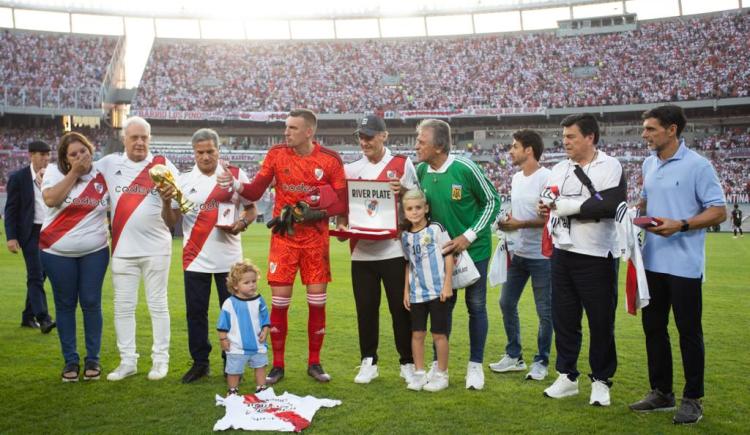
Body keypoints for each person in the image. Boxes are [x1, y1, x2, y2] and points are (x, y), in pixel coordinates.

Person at [218, 109, 347, 384]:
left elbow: (342, 202)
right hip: (284, 239)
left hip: (315, 242)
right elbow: (254, 191)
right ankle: (277, 365)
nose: (286, 132)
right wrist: (236, 183)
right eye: (286, 127)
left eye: (292, 128)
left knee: (317, 304)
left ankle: (314, 363)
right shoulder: (276, 155)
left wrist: (318, 213)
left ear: (309, 131)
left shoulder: (330, 160)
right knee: (279, 305)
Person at [629, 105, 726, 424]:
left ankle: (693, 398)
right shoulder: (648, 163)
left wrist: (681, 224)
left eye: (651, 129)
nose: (644, 135)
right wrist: (634, 214)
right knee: (653, 329)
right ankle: (661, 392)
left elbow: (718, 211)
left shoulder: (699, 166)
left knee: (688, 332)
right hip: (652, 261)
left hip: (684, 264)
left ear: (672, 130)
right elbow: (645, 201)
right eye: (644, 129)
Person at [538, 113, 625, 407]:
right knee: (564, 318)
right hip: (563, 253)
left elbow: (610, 204)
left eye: (571, 136)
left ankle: (600, 380)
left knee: (601, 320)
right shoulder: (559, 168)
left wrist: (567, 206)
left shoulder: (609, 165)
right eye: (564, 137)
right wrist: (556, 207)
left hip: (597, 254)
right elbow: (549, 201)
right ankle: (567, 376)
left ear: (590, 137)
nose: (565, 142)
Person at [159, 128, 256, 383]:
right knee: (196, 314)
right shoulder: (182, 180)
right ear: (194, 153)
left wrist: (242, 224)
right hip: (195, 258)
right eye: (200, 152)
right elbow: (171, 221)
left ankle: (231, 363)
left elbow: (251, 209)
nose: (205, 157)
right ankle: (200, 363)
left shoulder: (234, 175)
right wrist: (166, 203)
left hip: (230, 261)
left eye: (210, 151)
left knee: (232, 314)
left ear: (218, 150)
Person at [411, 119, 500, 390]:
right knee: (442, 308)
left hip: (475, 250)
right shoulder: (421, 170)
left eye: (421, 141)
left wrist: (468, 236)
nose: (416, 145)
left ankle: (475, 366)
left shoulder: (465, 168)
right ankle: (440, 370)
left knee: (476, 306)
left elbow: (493, 201)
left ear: (439, 145)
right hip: (441, 254)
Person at [335, 115, 417, 384]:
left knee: (400, 310)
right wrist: (342, 225)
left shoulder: (401, 164)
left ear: (384, 135)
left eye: (369, 136)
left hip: (393, 249)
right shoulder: (351, 169)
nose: (364, 141)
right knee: (366, 309)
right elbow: (343, 210)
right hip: (361, 251)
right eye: (361, 136)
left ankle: (406, 361)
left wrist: (403, 190)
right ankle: (368, 361)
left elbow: (417, 202)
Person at [97, 116, 179, 382]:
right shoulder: (109, 164)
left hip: (157, 248)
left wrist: (167, 203)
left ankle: (160, 361)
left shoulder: (164, 166)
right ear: (124, 139)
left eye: (145, 137)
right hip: (121, 249)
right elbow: (81, 170)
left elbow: (173, 221)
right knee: (123, 307)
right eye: (134, 137)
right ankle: (128, 361)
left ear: (151, 138)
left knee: (158, 305)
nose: (140, 142)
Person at [39, 132, 109, 382]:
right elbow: (50, 199)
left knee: (91, 302)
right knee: (65, 305)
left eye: (83, 151)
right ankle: (70, 360)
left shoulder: (103, 172)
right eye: (73, 154)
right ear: (65, 159)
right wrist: (74, 174)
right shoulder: (54, 172)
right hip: (56, 251)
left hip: (95, 252)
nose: (80, 156)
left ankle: (93, 359)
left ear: (91, 150)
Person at [488, 129, 552, 381]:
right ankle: (514, 355)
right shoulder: (516, 178)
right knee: (506, 302)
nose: (510, 151)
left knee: (545, 312)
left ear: (529, 150)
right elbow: (519, 214)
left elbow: (549, 218)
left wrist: (520, 224)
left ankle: (541, 361)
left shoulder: (546, 177)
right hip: (518, 252)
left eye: (515, 146)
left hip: (542, 256)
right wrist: (506, 222)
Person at [400, 189, 454, 392]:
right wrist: (406, 291)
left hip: (437, 291)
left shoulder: (436, 229)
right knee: (417, 334)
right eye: (410, 209)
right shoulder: (405, 236)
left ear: (426, 208)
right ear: (405, 212)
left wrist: (447, 283)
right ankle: (420, 373)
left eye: (418, 208)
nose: (414, 212)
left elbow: (449, 256)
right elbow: (408, 265)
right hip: (416, 294)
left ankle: (441, 374)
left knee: (439, 334)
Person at [4, 140, 56, 333]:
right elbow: (10, 210)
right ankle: (44, 318)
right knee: (35, 274)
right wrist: (11, 237)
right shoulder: (18, 178)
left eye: (48, 154)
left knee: (40, 276)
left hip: (50, 231)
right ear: (30, 155)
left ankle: (28, 316)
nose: (45, 158)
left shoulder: (53, 176)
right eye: (41, 154)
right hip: (31, 233)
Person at [218, 259, 270, 396]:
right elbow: (223, 324)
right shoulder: (229, 303)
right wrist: (223, 339)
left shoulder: (259, 300)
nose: (252, 285)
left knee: (260, 366)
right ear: (235, 285)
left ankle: (261, 388)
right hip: (236, 346)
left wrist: (265, 331)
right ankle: (233, 390)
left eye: (254, 281)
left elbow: (265, 318)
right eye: (246, 283)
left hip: (257, 344)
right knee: (234, 370)